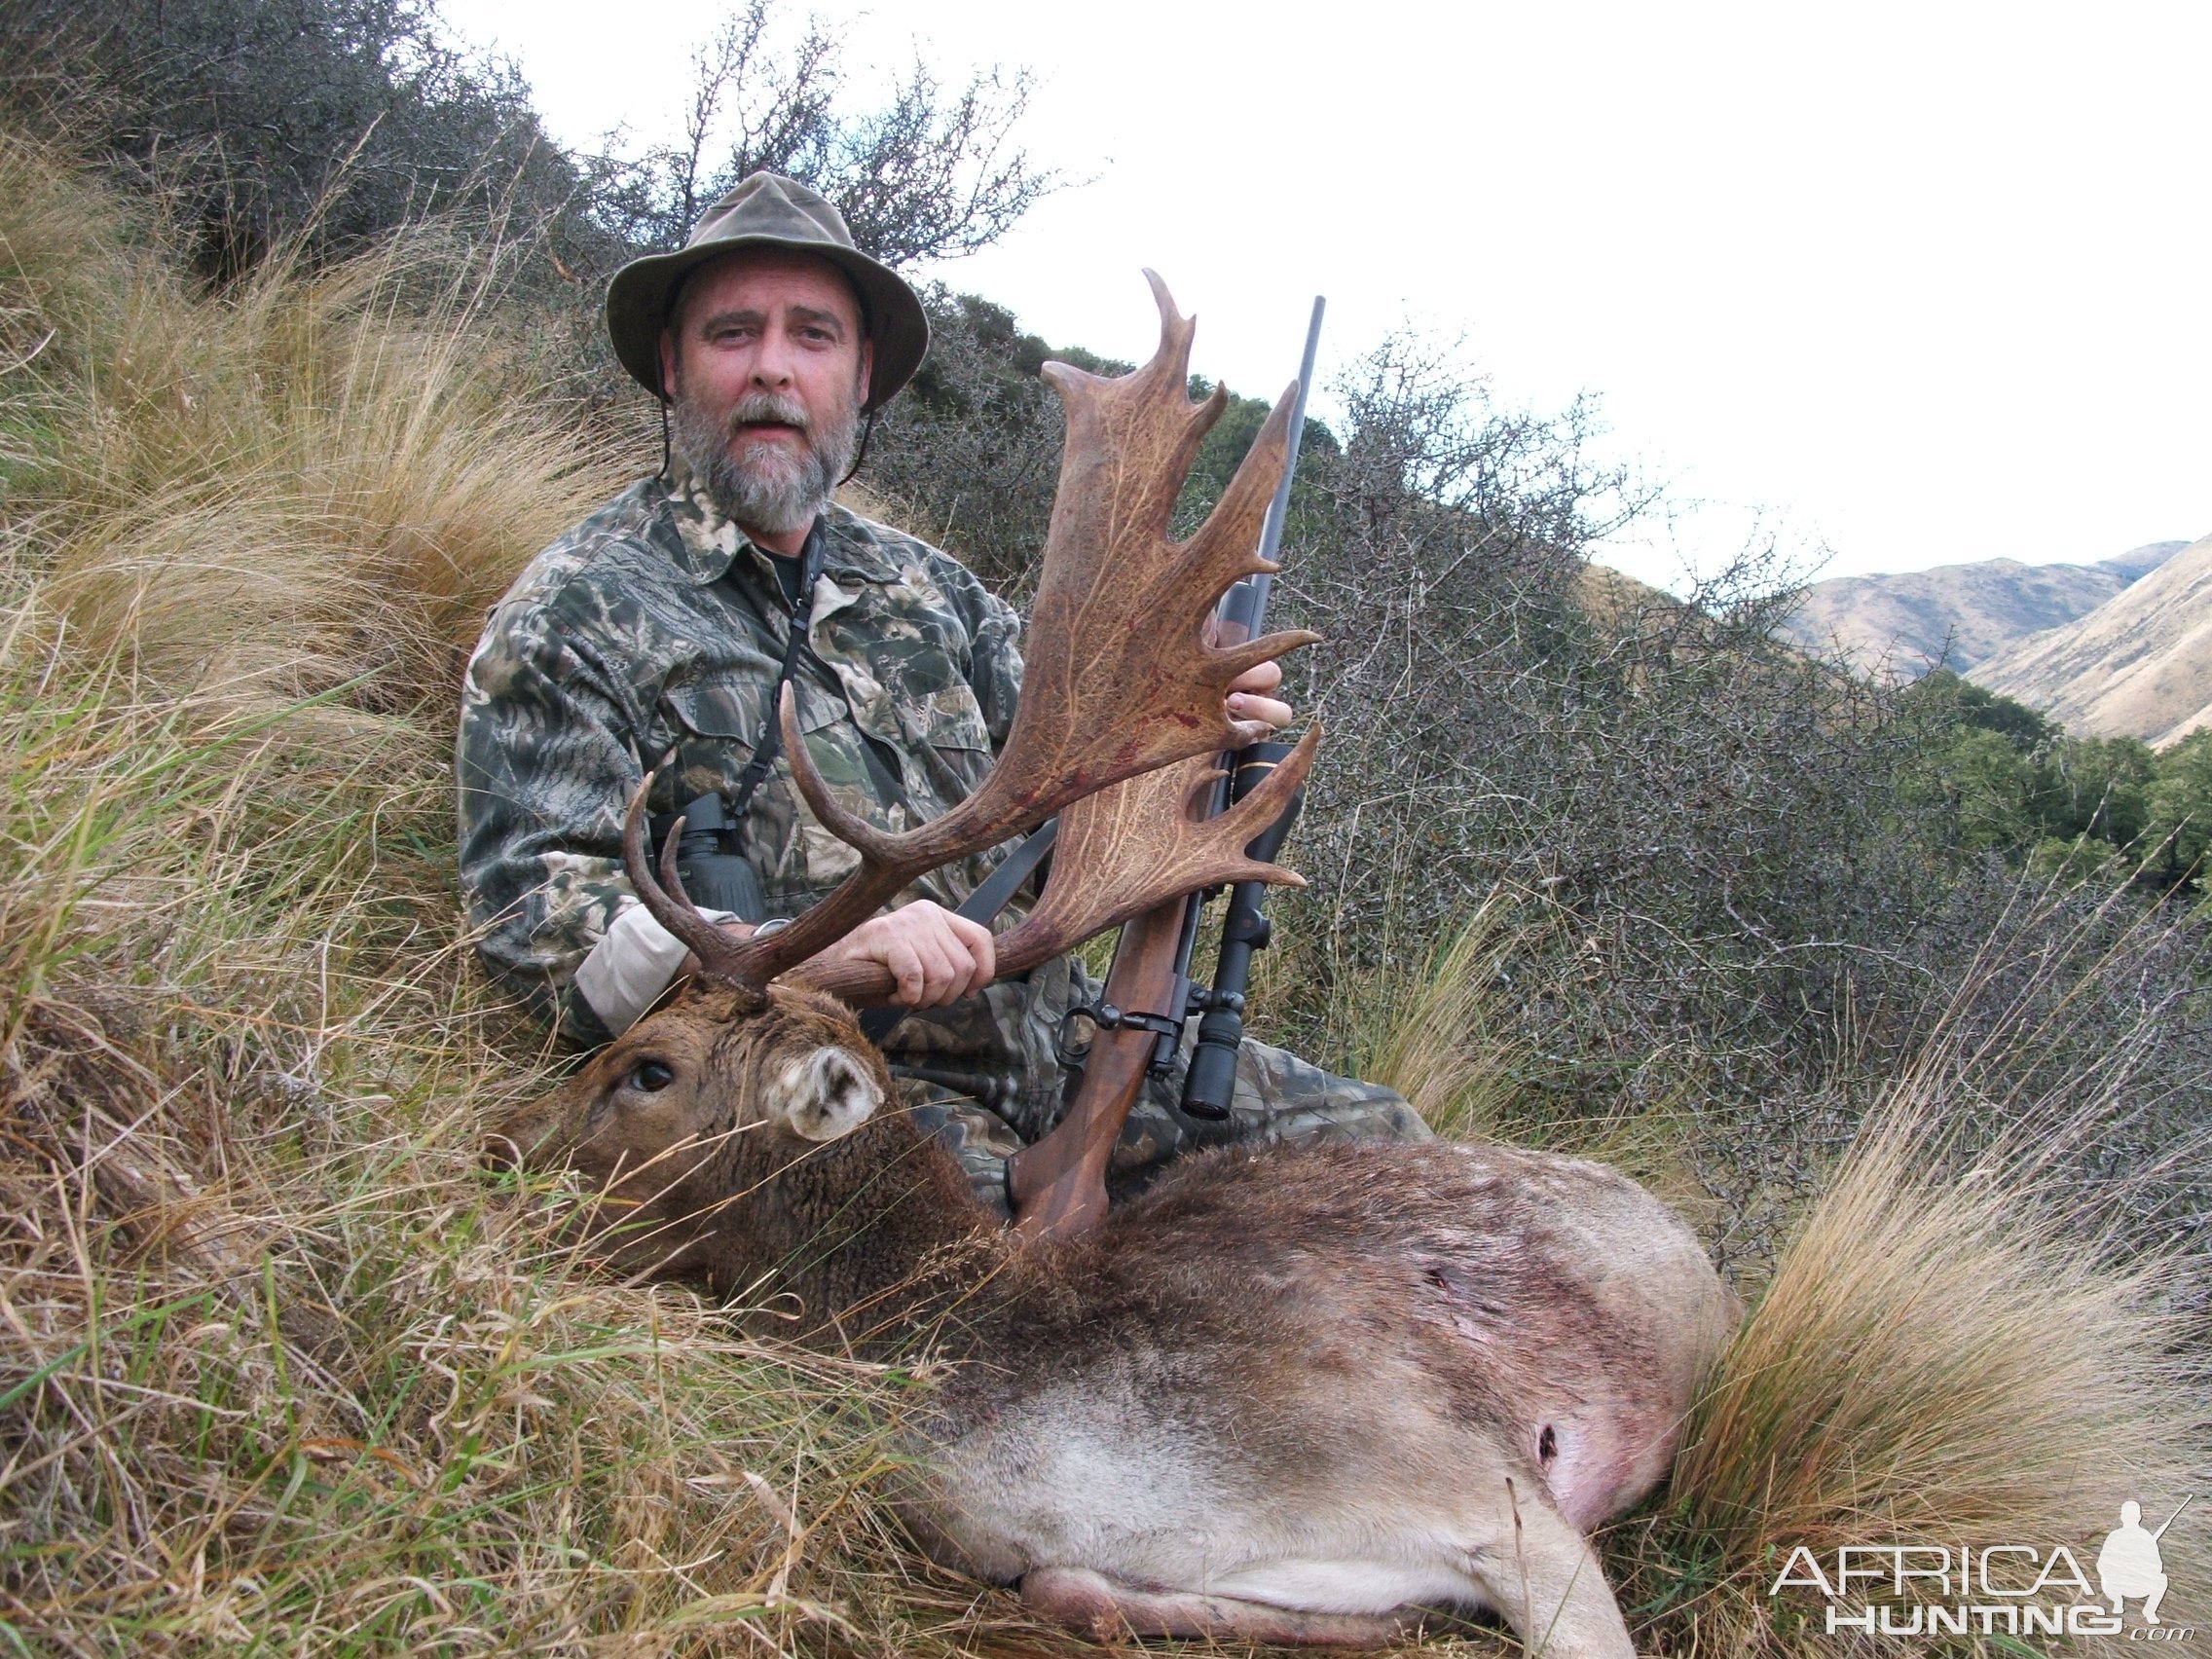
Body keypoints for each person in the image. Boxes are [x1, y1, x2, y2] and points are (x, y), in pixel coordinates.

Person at [457, 172, 1427, 1214]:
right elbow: (528, 917)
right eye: (732, 334)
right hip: (816, 1076)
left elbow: (1079, 774)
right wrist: (817, 953)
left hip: (1068, 1034)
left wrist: (1188, 716)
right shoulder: (579, 607)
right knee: (977, 1274)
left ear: (862, 375)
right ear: (672, 365)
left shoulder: (931, 591)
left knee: (1392, 1156)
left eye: (813, 337)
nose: (772, 369)